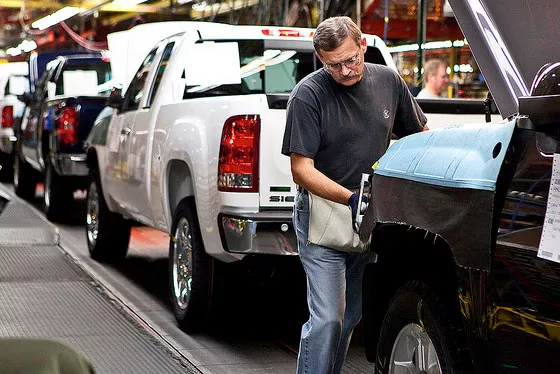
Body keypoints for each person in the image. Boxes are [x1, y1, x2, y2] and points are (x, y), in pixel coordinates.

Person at [281, 16, 428, 374]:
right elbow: (301, 169)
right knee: (328, 319)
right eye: (334, 66)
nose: (346, 71)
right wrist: (349, 198)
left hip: (370, 217)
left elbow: (418, 134)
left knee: (348, 319)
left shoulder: (388, 81)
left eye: (351, 60)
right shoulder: (308, 95)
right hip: (323, 218)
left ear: (362, 44)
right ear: (321, 59)